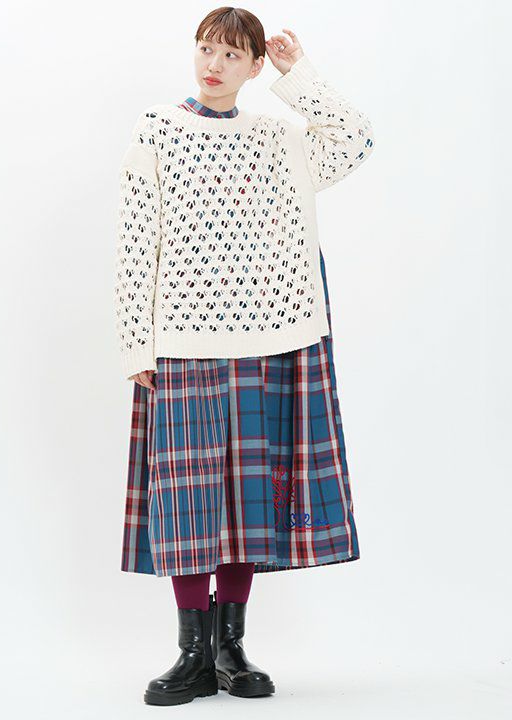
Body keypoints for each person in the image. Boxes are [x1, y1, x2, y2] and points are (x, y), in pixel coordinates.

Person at [113, 6, 375, 706]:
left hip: (270, 338)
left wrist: (299, 74)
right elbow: (138, 237)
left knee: (247, 502)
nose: (215, 64)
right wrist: (136, 340)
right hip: (182, 341)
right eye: (207, 48)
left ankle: (230, 647)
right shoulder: (158, 128)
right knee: (187, 499)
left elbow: (354, 139)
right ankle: (191, 652)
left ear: (255, 66)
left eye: (233, 54)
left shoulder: (277, 137)